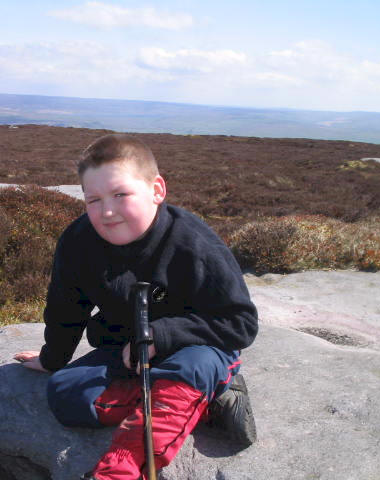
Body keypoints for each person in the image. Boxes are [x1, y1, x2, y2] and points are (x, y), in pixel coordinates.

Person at [14, 134, 258, 480]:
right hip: (127, 349)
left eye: (120, 195)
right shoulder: (77, 242)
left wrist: (163, 334)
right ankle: (195, 401)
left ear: (157, 190)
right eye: (93, 200)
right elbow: (66, 309)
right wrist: (52, 359)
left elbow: (241, 323)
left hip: (196, 349)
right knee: (66, 394)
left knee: (193, 367)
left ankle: (121, 470)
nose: (107, 211)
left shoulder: (194, 244)